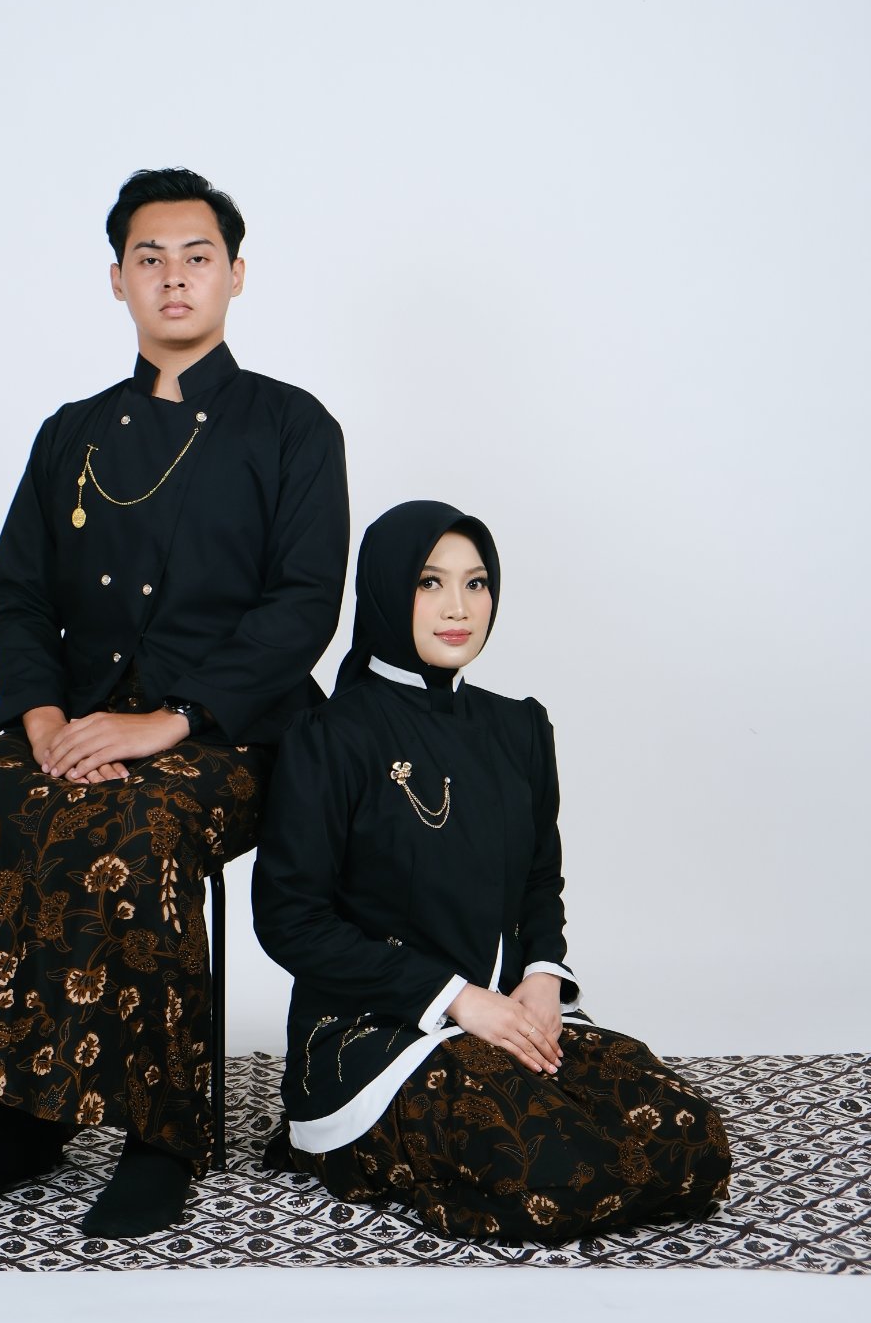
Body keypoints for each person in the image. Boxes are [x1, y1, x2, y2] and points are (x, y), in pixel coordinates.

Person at [0, 169, 348, 1236]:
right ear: (118, 281)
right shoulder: (71, 432)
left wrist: (168, 723)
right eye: (150, 259)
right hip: (77, 716)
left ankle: (159, 1136)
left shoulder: (294, 427)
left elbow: (304, 607)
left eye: (197, 257)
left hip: (236, 732)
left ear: (236, 275)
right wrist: (44, 721)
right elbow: (18, 592)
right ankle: (18, 1114)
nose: (174, 277)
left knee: (135, 826)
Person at [252, 501, 731, 1244]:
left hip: (507, 1015)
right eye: (430, 583)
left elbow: (540, 880)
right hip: (375, 1036)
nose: (458, 608)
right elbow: (291, 921)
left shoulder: (518, 728)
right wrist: (457, 999)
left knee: (691, 1144)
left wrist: (540, 977)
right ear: (385, 590)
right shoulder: (330, 736)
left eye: (476, 584)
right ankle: (350, 1145)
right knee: (557, 1172)